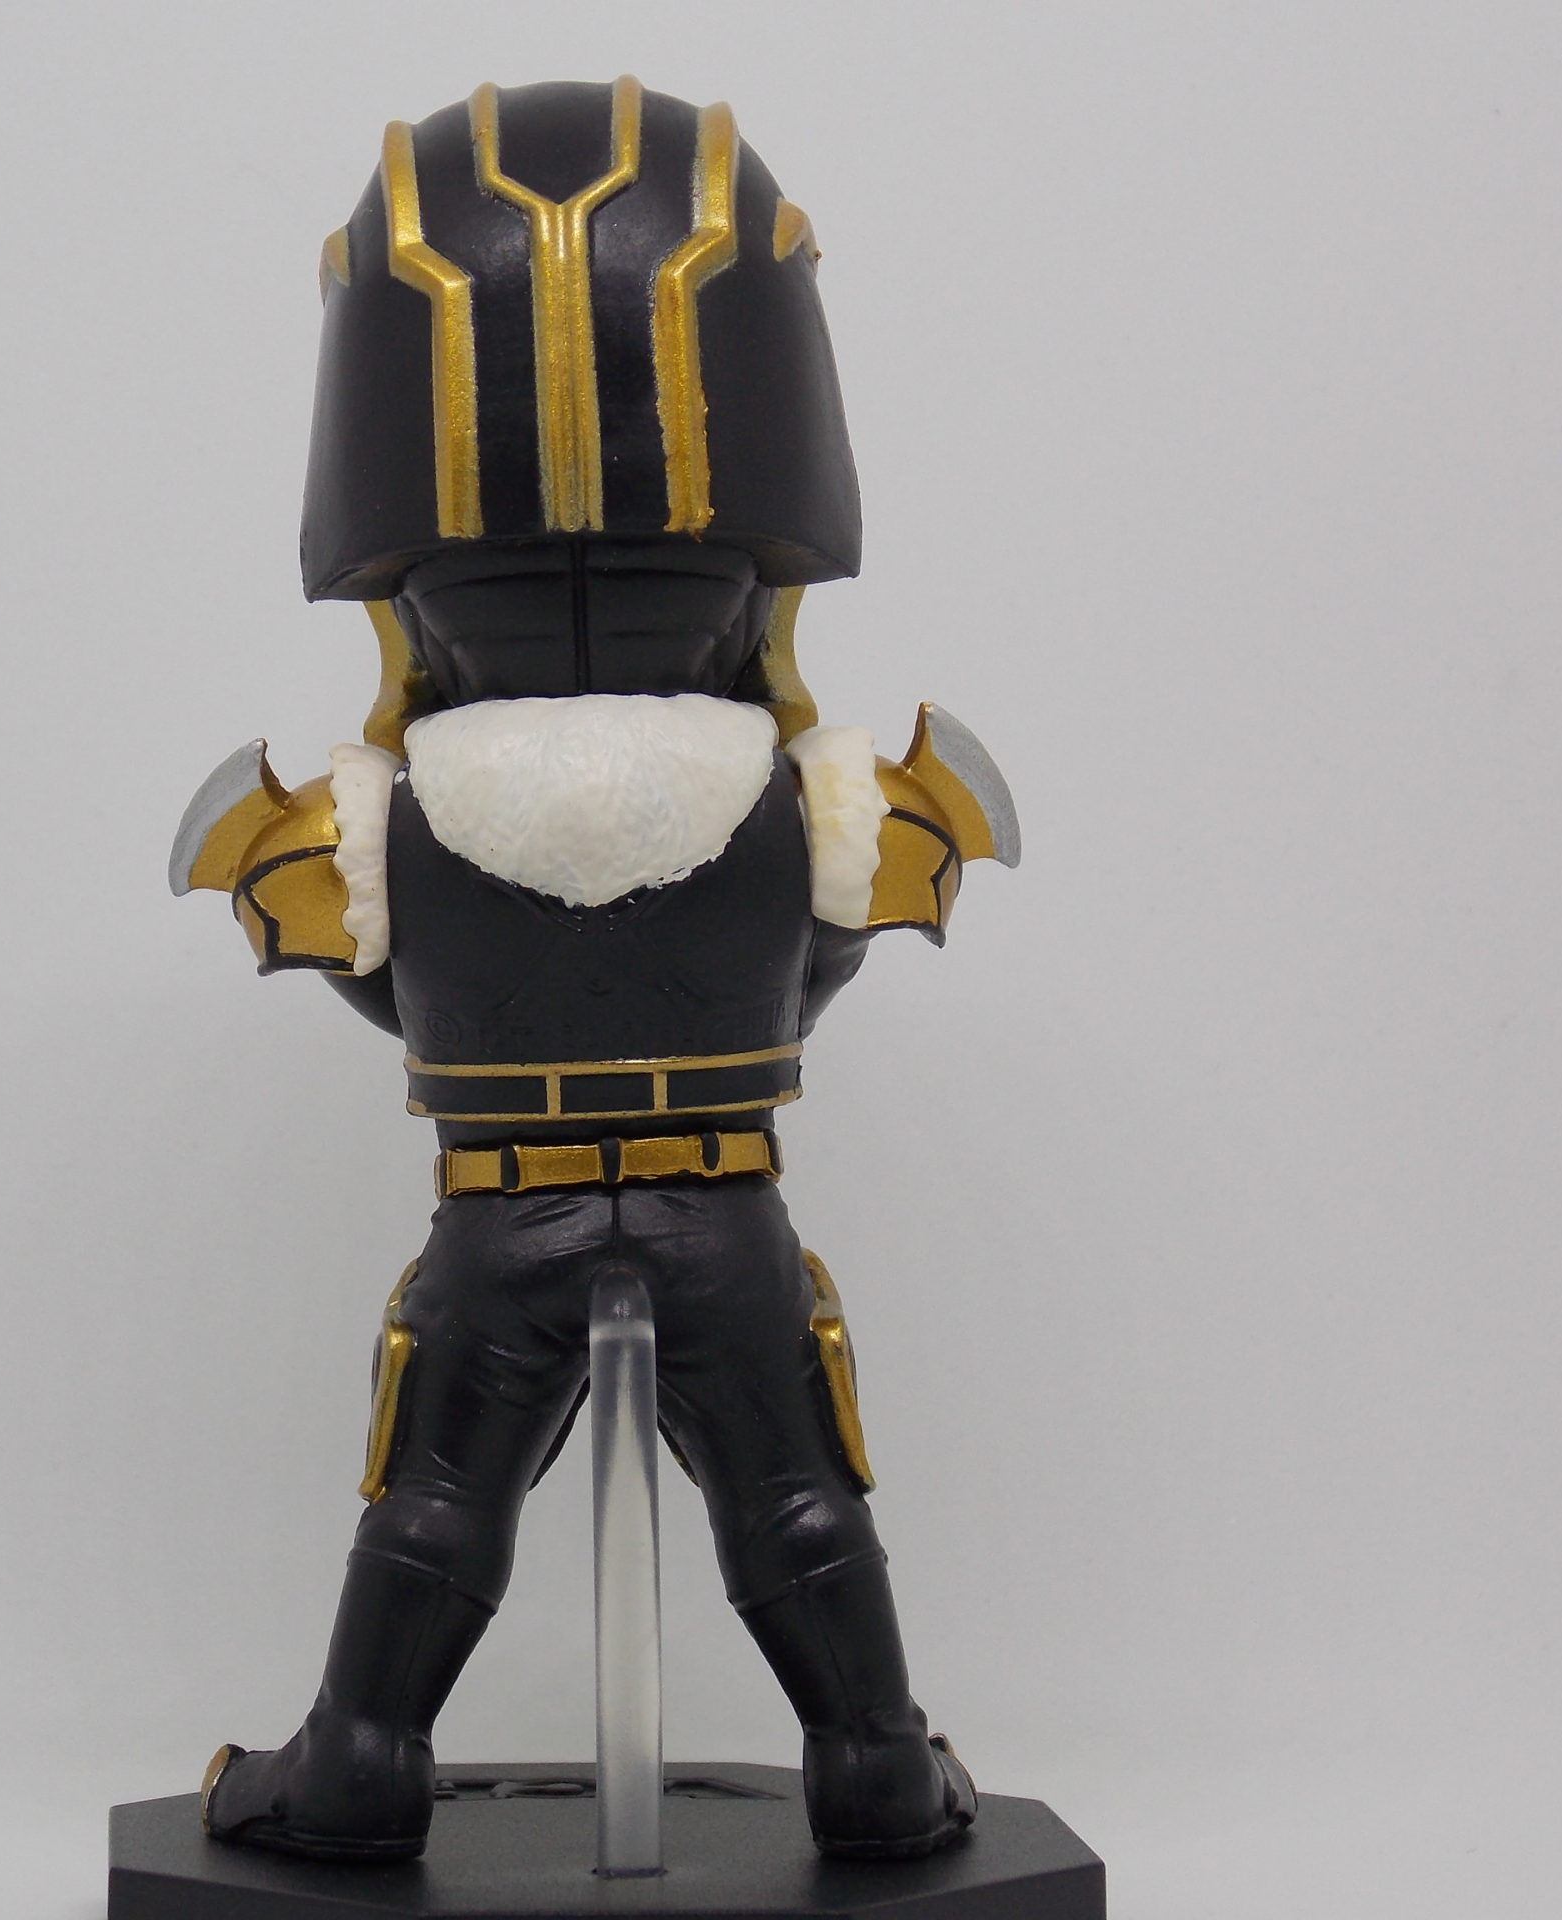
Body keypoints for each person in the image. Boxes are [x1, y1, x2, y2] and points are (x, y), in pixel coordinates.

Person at [171, 78, 1017, 1863]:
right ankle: (872, 1761)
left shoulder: (365, 823)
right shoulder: (830, 800)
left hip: (503, 1217)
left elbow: (394, 1002)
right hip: (726, 1214)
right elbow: (811, 974)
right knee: (794, 1493)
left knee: (435, 1495)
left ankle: (363, 1760)